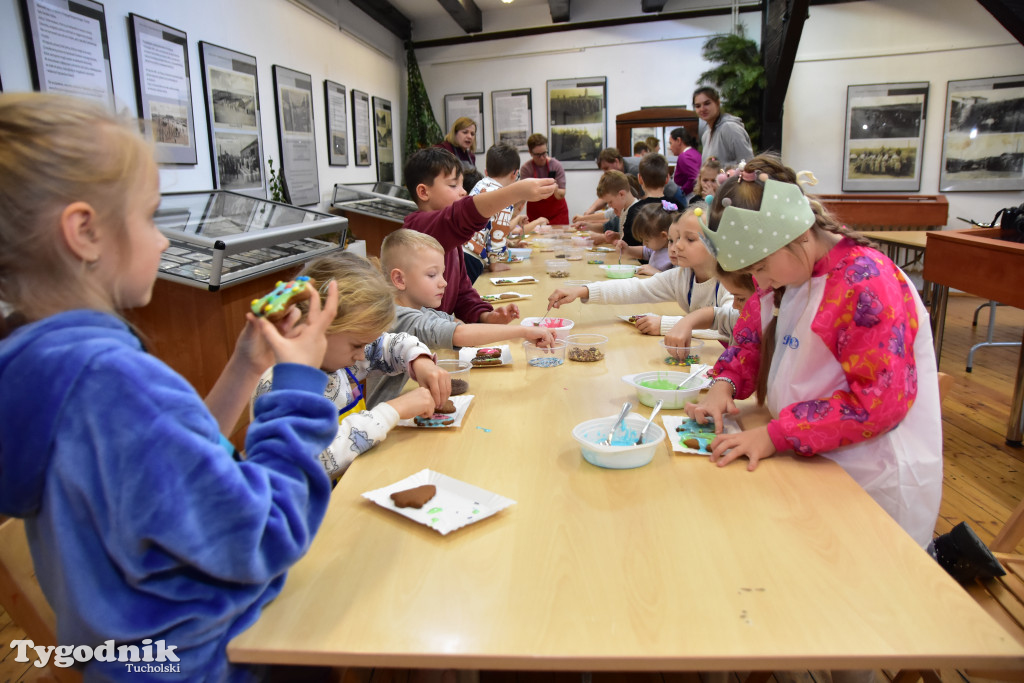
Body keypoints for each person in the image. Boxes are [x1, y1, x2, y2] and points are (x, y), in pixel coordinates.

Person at [0, 92, 341, 680]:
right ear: (84, 231)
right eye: (149, 217)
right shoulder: (112, 381)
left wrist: (245, 367)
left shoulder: (41, 365)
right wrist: (298, 387)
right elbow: (264, 534)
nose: (161, 241)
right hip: (218, 664)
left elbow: (164, 480)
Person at [687, 153, 942, 551]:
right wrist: (723, 383)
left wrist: (777, 434)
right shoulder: (783, 274)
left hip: (869, 478)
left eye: (762, 268)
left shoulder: (865, 284)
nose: (759, 282)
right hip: (803, 460)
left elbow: (877, 403)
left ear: (798, 235)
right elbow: (751, 337)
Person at [252, 252, 448, 479]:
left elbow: (389, 345)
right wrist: (391, 411)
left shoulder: (336, 358)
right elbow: (318, 458)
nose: (360, 354)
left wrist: (419, 361)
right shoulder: (279, 387)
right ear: (319, 326)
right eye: (356, 344)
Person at [404, 146, 556, 324]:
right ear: (423, 192)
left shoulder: (453, 243)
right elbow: (461, 215)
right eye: (453, 185)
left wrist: (486, 316)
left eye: (462, 185)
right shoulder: (418, 228)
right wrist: (516, 192)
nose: (463, 192)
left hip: (441, 337)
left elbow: (463, 294)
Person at [548, 207, 735, 347]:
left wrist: (665, 324)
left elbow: (730, 327)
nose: (676, 247)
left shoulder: (732, 283)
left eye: (690, 239)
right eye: (674, 239)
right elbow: (635, 289)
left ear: (717, 243)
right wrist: (582, 290)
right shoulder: (682, 276)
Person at [378, 230, 556, 371]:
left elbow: (457, 325)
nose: (444, 282)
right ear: (400, 280)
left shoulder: (422, 311)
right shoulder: (399, 318)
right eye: (432, 275)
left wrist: (485, 320)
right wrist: (524, 332)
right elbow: (460, 334)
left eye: (442, 273)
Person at [462, 143, 522, 282]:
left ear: (486, 170)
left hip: (460, 248)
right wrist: (495, 263)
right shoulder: (504, 197)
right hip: (472, 256)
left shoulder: (480, 184)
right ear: (515, 173)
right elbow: (498, 232)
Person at [620, 154, 687, 248]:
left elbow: (627, 244)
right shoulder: (678, 206)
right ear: (667, 178)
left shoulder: (634, 209)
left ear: (640, 179)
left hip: (638, 262)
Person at [692, 86, 754, 167]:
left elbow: (748, 164)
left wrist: (726, 174)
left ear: (717, 103)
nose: (702, 109)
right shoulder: (706, 135)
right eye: (698, 106)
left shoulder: (730, 128)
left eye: (707, 103)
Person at [519, 133, 569, 226]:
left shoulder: (556, 165)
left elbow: (561, 194)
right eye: (538, 155)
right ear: (530, 153)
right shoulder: (526, 169)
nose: (542, 158)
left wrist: (555, 189)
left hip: (557, 213)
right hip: (536, 214)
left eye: (544, 153)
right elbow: (524, 194)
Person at [614, 201, 676, 275]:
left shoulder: (675, 255)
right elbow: (644, 252)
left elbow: (676, 281)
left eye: (647, 240)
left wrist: (657, 273)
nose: (644, 243)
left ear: (664, 236)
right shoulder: (658, 247)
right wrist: (628, 249)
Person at [669, 126, 702, 196]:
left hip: (689, 196)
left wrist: (681, 192)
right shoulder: (694, 152)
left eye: (671, 143)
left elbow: (695, 178)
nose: (670, 147)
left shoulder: (684, 156)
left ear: (678, 140)